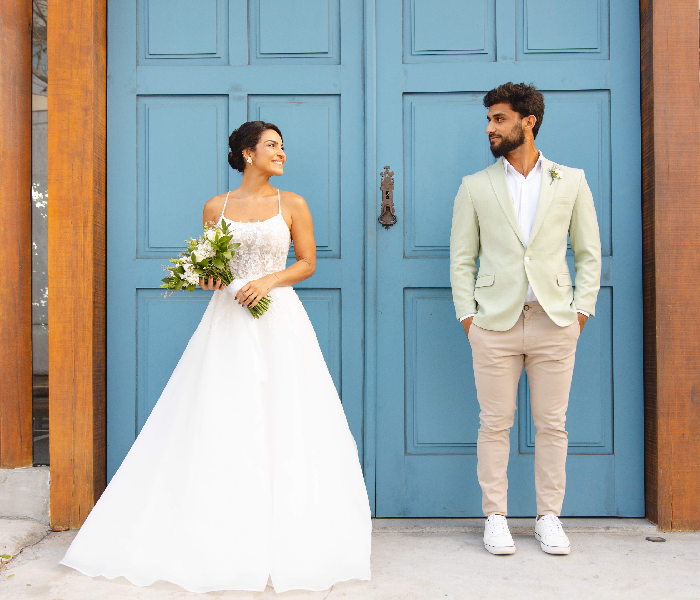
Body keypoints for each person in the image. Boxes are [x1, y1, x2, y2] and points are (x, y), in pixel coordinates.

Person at [60, 121, 372, 593]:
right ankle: (218, 533)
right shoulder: (215, 207)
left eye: (282, 147)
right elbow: (213, 266)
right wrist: (209, 278)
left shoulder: (293, 204)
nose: (281, 154)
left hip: (279, 320)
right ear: (248, 153)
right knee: (223, 416)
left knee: (287, 415)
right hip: (227, 320)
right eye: (272, 146)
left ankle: (289, 534)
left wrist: (267, 281)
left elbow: (307, 262)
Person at [449, 83, 601, 556]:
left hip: (555, 320)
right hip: (493, 324)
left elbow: (589, 253)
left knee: (552, 424)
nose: (490, 127)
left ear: (527, 121)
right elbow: (461, 259)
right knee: (494, 423)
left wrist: (579, 312)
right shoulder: (475, 185)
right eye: (490, 119)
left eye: (499, 118)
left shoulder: (570, 180)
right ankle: (495, 516)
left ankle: (548, 517)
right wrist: (468, 319)